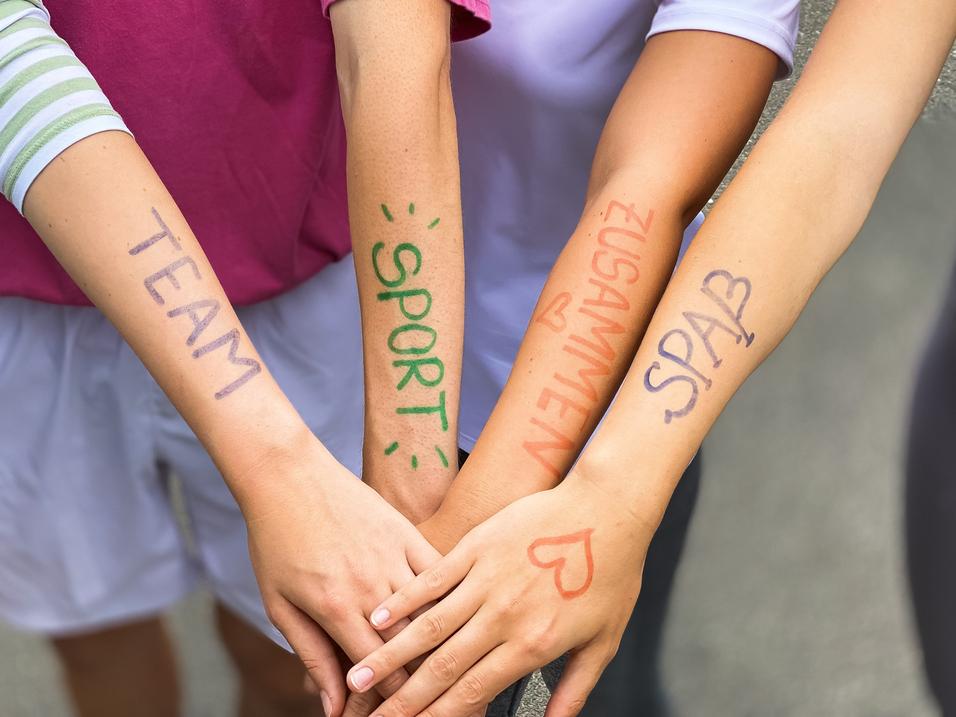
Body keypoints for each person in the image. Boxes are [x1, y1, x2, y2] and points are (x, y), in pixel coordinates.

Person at [346, 1, 956, 715]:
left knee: (608, 689)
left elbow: (831, 131)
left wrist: (610, 494)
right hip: (323, 345)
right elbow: (389, 61)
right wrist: (415, 488)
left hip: (605, 404)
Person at [0, 1, 488, 716]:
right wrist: (278, 465)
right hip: (28, 294)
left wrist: (412, 484)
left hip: (291, 272)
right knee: (96, 631)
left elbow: (393, 49)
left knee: (301, 649)